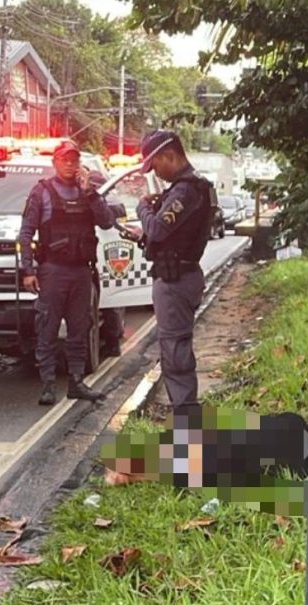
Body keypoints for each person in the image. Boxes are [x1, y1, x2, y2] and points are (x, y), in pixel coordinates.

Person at [19, 139, 118, 406]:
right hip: (52, 271)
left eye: (74, 160)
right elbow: (26, 232)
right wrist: (28, 270)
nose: (70, 164)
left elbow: (107, 221)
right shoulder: (42, 192)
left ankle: (76, 381)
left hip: (81, 273)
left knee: (80, 329)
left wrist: (90, 192)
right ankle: (49, 385)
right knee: (47, 330)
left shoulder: (88, 192)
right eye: (65, 159)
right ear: (55, 162)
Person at [135, 130, 218, 409]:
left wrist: (143, 210)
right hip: (180, 275)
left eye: (155, 165)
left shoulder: (185, 190)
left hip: (175, 281)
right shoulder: (193, 188)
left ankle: (186, 431)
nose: (156, 173)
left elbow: (158, 229)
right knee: (175, 348)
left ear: (169, 155)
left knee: (175, 352)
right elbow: (170, 234)